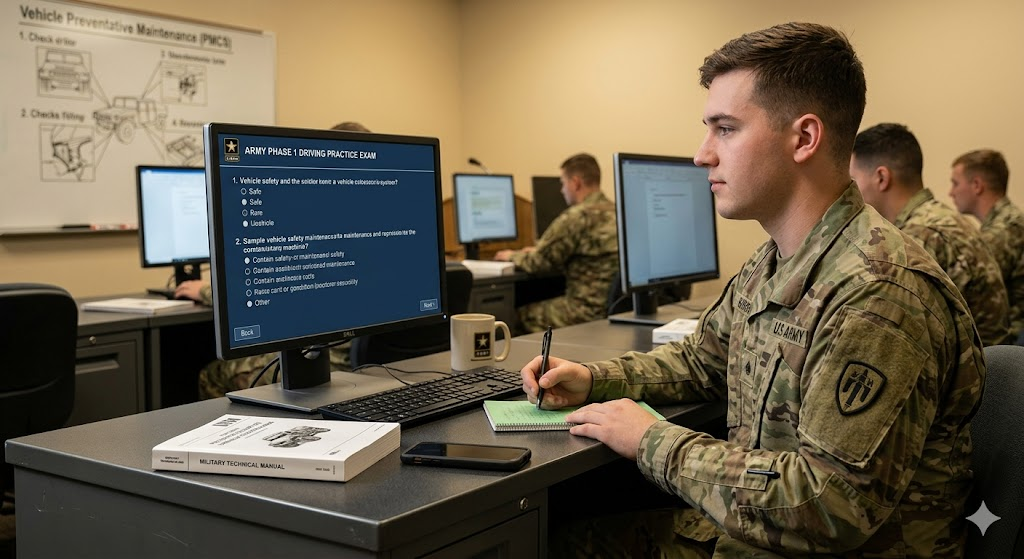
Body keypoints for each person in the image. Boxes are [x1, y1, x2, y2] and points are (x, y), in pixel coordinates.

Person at [523, 23, 984, 557]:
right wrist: (593, 378)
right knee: (558, 533)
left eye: (725, 129)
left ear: (804, 139)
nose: (702, 155)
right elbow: (703, 361)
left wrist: (652, 440)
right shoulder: (776, 260)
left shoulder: (878, 292)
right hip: (757, 535)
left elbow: (827, 506)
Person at [179, 121, 371, 399]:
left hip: (333, 364)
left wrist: (205, 291)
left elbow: (275, 293)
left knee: (213, 374)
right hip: (374, 363)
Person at [851, 123, 1010, 345]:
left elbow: (890, 333)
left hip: (972, 362)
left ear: (881, 178)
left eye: (853, 179)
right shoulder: (938, 219)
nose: (851, 190)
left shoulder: (918, 237)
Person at [494, 153, 618, 333]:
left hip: (584, 311)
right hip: (613, 308)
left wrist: (511, 256)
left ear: (575, 183)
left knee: (513, 316)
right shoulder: (617, 212)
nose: (562, 190)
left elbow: (539, 262)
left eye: (563, 183)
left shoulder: (576, 217)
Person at [949, 149, 1024, 341]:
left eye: (955, 183)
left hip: (1010, 345)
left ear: (977, 186)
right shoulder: (1006, 222)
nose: (951, 192)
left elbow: (965, 289)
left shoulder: (1004, 230)